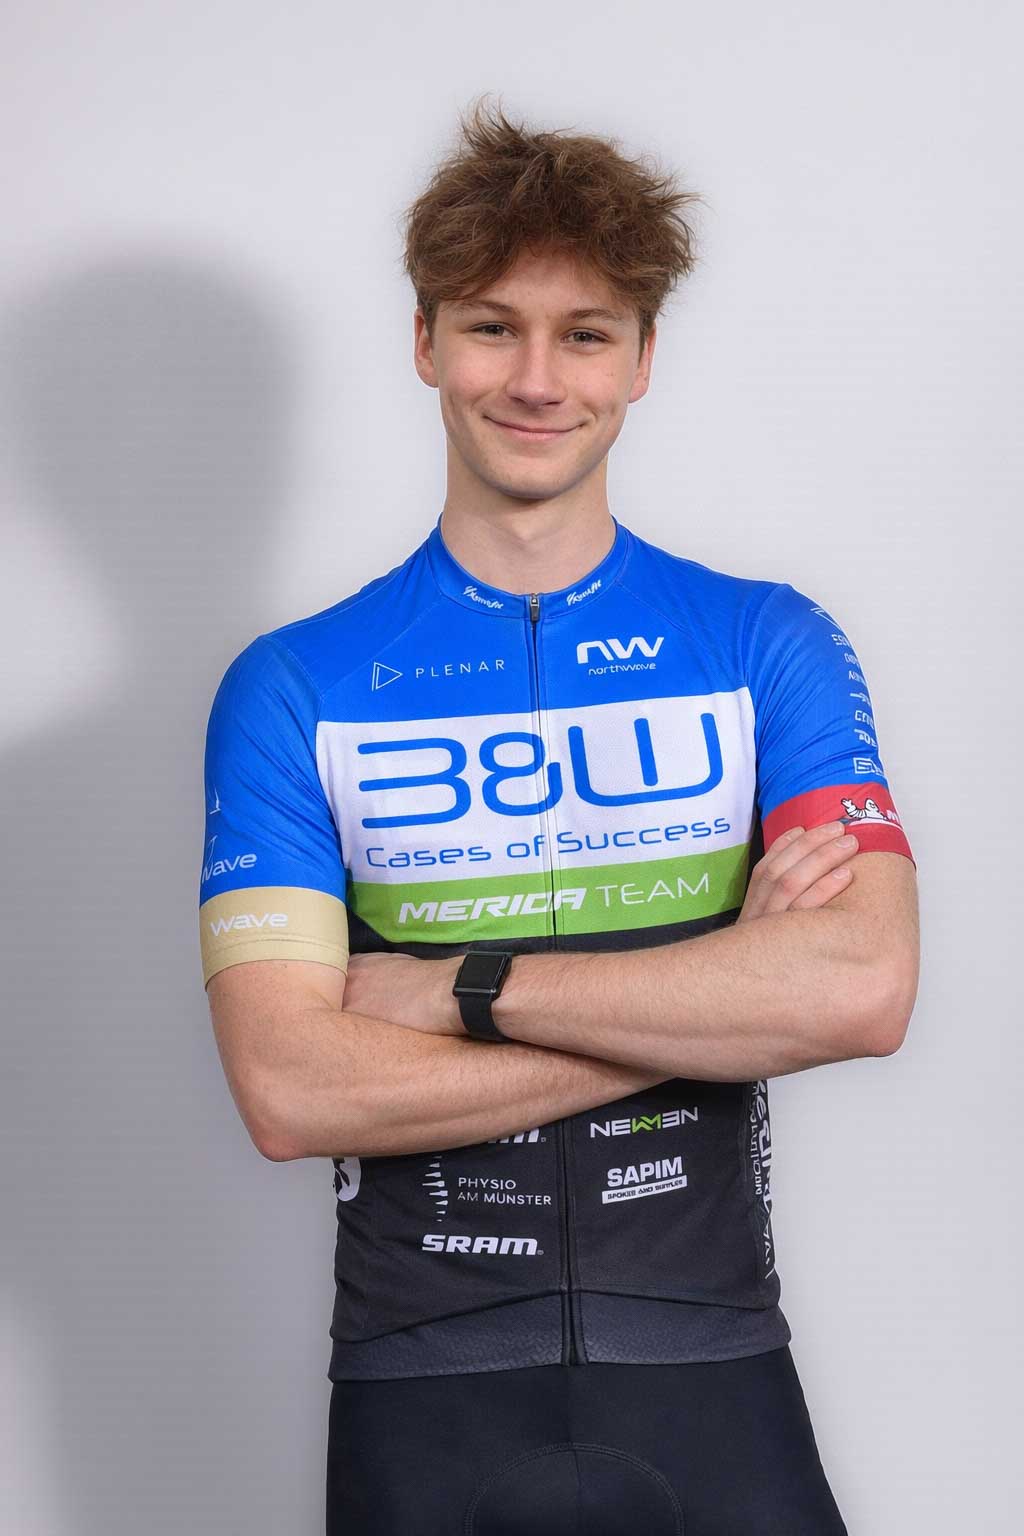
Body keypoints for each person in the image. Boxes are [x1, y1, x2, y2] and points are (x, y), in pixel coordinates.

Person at [198, 96, 919, 1535]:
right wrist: (719, 995)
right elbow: (290, 1090)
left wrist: (455, 993)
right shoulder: (293, 686)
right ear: (423, 341)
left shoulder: (763, 645)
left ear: (643, 359)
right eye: (492, 327)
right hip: (421, 1384)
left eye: (585, 333)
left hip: (711, 1361)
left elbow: (861, 989)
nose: (536, 379)